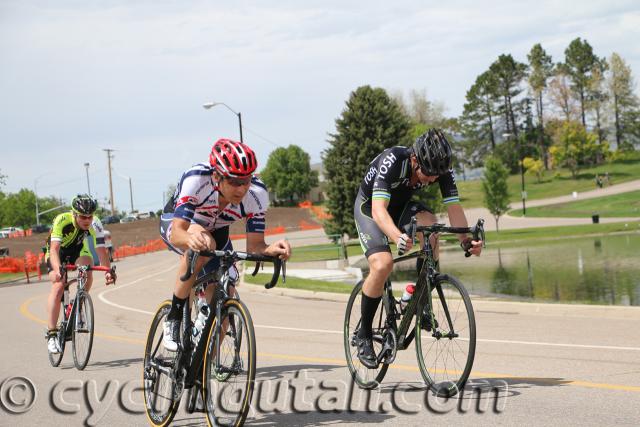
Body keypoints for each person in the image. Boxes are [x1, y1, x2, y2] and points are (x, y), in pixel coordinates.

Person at [353, 128, 482, 368]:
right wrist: (396, 236)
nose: (432, 179)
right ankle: (364, 335)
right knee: (383, 263)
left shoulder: (440, 168)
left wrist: (466, 240)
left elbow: (454, 208)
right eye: (428, 174)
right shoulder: (393, 160)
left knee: (431, 228)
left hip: (400, 207)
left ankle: (420, 301)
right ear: (414, 160)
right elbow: (379, 210)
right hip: (371, 208)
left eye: (437, 175)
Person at [160, 138, 291, 351]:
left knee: (224, 297)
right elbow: (177, 233)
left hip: (217, 230)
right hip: (180, 224)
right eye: (233, 182)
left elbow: (255, 245)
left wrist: (270, 249)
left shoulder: (257, 194)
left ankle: (200, 372)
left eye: (246, 181)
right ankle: (174, 319)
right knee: (204, 245)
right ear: (216, 177)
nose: (241, 189)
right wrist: (190, 239)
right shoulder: (197, 179)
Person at [45, 195, 116, 354]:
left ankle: (79, 306)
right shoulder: (62, 220)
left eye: (90, 216)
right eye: (83, 217)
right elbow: (54, 249)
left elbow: (101, 250)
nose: (87, 220)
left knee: (87, 272)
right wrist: (58, 270)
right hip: (57, 253)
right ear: (74, 214)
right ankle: (51, 334)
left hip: (78, 250)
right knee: (58, 285)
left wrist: (107, 271)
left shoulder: (96, 223)